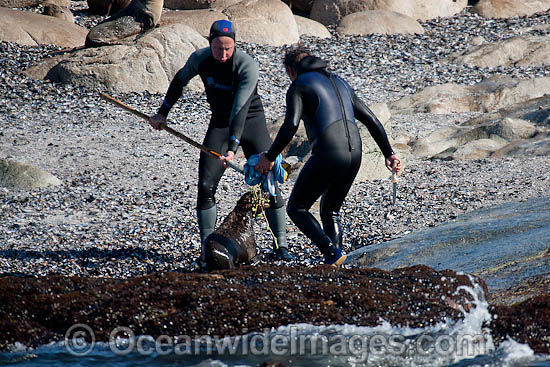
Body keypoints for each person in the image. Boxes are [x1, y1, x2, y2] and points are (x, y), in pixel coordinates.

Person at [149, 20, 294, 266]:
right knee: (205, 185)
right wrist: (163, 112)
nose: (224, 54)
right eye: (218, 49)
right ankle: (207, 247)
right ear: (210, 43)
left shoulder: (246, 65)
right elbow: (179, 81)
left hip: (250, 121)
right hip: (220, 125)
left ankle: (281, 245)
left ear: (235, 45)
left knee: (268, 184)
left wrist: (231, 150)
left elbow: (239, 109)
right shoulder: (200, 59)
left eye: (228, 49)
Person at [255, 46, 402, 266]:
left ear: (290, 70)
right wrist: (388, 153)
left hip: (329, 152)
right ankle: (335, 262)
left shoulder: (299, 85)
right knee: (331, 210)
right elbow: (371, 120)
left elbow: (291, 125)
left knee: (297, 208)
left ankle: (331, 252)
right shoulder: (340, 82)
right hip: (355, 153)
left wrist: (269, 156)